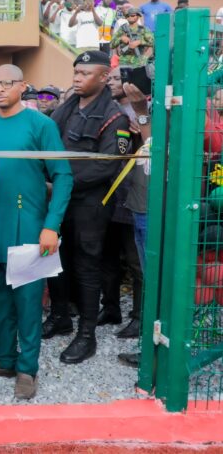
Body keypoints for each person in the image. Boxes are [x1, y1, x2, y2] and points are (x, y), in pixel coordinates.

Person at [0, 65, 72, 400]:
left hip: (30, 226)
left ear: (22, 86)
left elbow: (63, 175)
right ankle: (4, 359)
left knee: (28, 304)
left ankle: (27, 368)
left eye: (6, 83)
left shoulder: (41, 124)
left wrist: (51, 225)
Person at [44, 51, 131, 364]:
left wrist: (61, 183)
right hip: (60, 198)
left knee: (86, 266)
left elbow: (107, 166)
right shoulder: (67, 106)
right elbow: (49, 140)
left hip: (90, 203)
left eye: (84, 74)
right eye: (76, 72)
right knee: (55, 259)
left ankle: (87, 334)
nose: (77, 78)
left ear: (103, 77)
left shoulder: (114, 115)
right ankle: (60, 316)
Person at [99, 67, 143, 340]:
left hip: (133, 196)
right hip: (107, 194)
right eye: (110, 78)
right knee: (107, 256)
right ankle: (111, 307)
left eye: (118, 78)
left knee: (136, 260)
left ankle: (139, 317)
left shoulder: (145, 113)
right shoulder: (106, 110)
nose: (112, 82)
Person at [120, 83, 152, 367]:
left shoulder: (186, 111)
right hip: (141, 206)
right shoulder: (152, 111)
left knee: (157, 281)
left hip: (159, 211)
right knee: (149, 276)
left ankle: (157, 354)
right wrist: (142, 113)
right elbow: (151, 144)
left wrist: (143, 113)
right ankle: (153, 350)